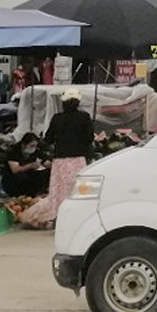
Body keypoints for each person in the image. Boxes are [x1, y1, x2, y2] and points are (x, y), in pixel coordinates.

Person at [21, 88, 94, 227]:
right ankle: (78, 218)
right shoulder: (84, 117)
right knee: (77, 190)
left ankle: (58, 217)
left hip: (60, 161)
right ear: (78, 102)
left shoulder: (57, 118)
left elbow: (48, 139)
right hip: (78, 160)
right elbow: (89, 138)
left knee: (58, 192)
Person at [2, 133, 50, 197]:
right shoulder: (14, 151)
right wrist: (30, 166)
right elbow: (15, 169)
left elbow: (46, 163)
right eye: (32, 146)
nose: (34, 148)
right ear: (24, 144)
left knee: (47, 173)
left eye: (35, 146)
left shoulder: (36, 151)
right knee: (20, 176)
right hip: (13, 180)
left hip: (29, 177)